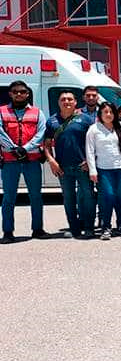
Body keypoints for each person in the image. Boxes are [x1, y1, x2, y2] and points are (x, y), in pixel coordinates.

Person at [0, 80, 48, 244]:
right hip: (9, 161)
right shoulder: (1, 111)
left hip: (32, 160)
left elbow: (41, 133)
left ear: (28, 94)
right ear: (10, 94)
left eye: (22, 91)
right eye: (15, 92)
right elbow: (0, 132)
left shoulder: (37, 112)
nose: (19, 94)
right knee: (9, 197)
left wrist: (25, 149)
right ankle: (8, 232)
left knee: (36, 196)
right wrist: (14, 148)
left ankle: (38, 229)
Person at [44, 90, 96, 238]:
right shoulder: (52, 121)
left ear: (75, 102)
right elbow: (46, 145)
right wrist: (52, 161)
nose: (66, 102)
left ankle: (89, 227)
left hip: (83, 166)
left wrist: (90, 161)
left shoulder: (86, 120)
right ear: (58, 102)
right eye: (63, 99)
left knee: (88, 197)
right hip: (63, 167)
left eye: (69, 99)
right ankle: (74, 229)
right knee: (68, 199)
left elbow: (95, 142)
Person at [86, 102, 121, 240]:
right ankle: (106, 227)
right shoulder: (94, 129)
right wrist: (92, 170)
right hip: (104, 170)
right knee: (108, 197)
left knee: (120, 198)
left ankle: (120, 226)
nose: (108, 115)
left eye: (111, 112)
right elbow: (90, 151)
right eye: (105, 112)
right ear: (100, 114)